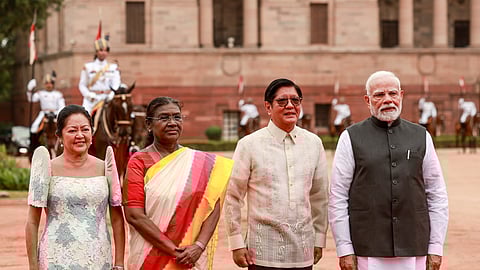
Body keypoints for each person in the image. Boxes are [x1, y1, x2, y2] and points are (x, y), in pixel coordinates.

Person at [329, 71, 448, 270]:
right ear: (367, 100)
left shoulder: (421, 136)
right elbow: (338, 197)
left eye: (392, 93)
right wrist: (345, 249)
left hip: (414, 246)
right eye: (379, 95)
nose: (387, 100)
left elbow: (436, 193)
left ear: (401, 95)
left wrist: (436, 246)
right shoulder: (350, 137)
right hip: (366, 247)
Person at [224, 78, 329, 270]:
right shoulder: (249, 145)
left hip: (303, 251)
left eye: (295, 101)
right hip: (262, 253)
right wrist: (236, 243)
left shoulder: (314, 144)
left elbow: (320, 196)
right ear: (268, 107)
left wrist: (319, 238)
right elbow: (232, 197)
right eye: (282, 101)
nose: (290, 106)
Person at [123, 97, 233, 270]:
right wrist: (175, 251)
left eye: (177, 117)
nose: (172, 122)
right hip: (151, 256)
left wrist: (199, 246)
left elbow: (213, 205)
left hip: (192, 257)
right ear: (149, 125)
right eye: (164, 118)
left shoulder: (201, 162)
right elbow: (134, 215)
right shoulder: (139, 162)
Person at [25, 104, 125, 270]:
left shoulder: (106, 167)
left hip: (98, 258)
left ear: (91, 133)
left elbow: (116, 218)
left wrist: (119, 264)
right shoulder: (46, 167)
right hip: (55, 258)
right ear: (59, 136)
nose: (80, 135)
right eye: (72, 130)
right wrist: (33, 267)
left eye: (85, 129)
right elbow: (32, 221)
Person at [78, 38, 121, 114]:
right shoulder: (88, 67)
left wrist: (112, 94)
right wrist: (89, 95)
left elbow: (116, 84)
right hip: (92, 100)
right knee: (84, 118)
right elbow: (82, 85)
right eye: (101, 50)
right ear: (96, 52)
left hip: (108, 98)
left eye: (105, 50)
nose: (103, 53)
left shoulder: (113, 67)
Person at [26, 72, 65, 150]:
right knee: (34, 128)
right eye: (47, 83)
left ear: (53, 84)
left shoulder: (58, 94)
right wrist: (30, 89)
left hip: (55, 114)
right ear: (44, 84)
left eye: (50, 83)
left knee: (64, 128)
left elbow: (62, 106)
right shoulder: (41, 93)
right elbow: (31, 99)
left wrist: (57, 114)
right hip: (44, 114)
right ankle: (33, 146)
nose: (49, 85)